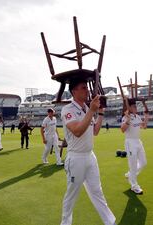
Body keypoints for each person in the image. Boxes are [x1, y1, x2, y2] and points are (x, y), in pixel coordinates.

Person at [60, 79, 116, 225]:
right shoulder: (68, 109)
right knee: (72, 195)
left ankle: (110, 221)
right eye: (83, 88)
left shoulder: (86, 108)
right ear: (74, 91)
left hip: (90, 156)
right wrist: (92, 110)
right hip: (76, 158)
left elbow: (95, 131)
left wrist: (100, 113)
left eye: (87, 87)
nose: (88, 90)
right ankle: (65, 223)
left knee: (97, 191)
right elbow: (77, 131)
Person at [120, 99, 149, 194]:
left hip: (138, 141)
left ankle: (130, 174)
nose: (136, 108)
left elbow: (144, 127)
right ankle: (134, 186)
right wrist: (128, 119)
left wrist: (146, 117)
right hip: (130, 142)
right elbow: (122, 130)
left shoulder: (137, 117)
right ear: (130, 108)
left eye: (136, 106)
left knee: (144, 162)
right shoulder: (125, 117)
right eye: (134, 106)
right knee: (132, 165)